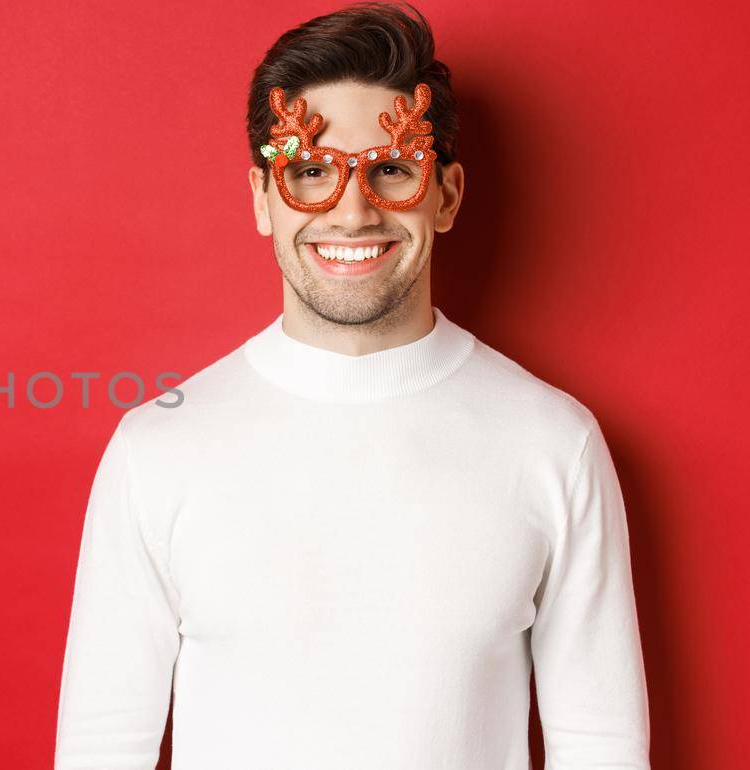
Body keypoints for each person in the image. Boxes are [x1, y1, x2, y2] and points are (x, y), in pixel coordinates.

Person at [52, 3, 651, 768]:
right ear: (263, 199)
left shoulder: (554, 443)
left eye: (392, 169)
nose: (352, 210)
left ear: (447, 194)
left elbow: (601, 745)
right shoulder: (158, 448)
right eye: (309, 172)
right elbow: (102, 746)